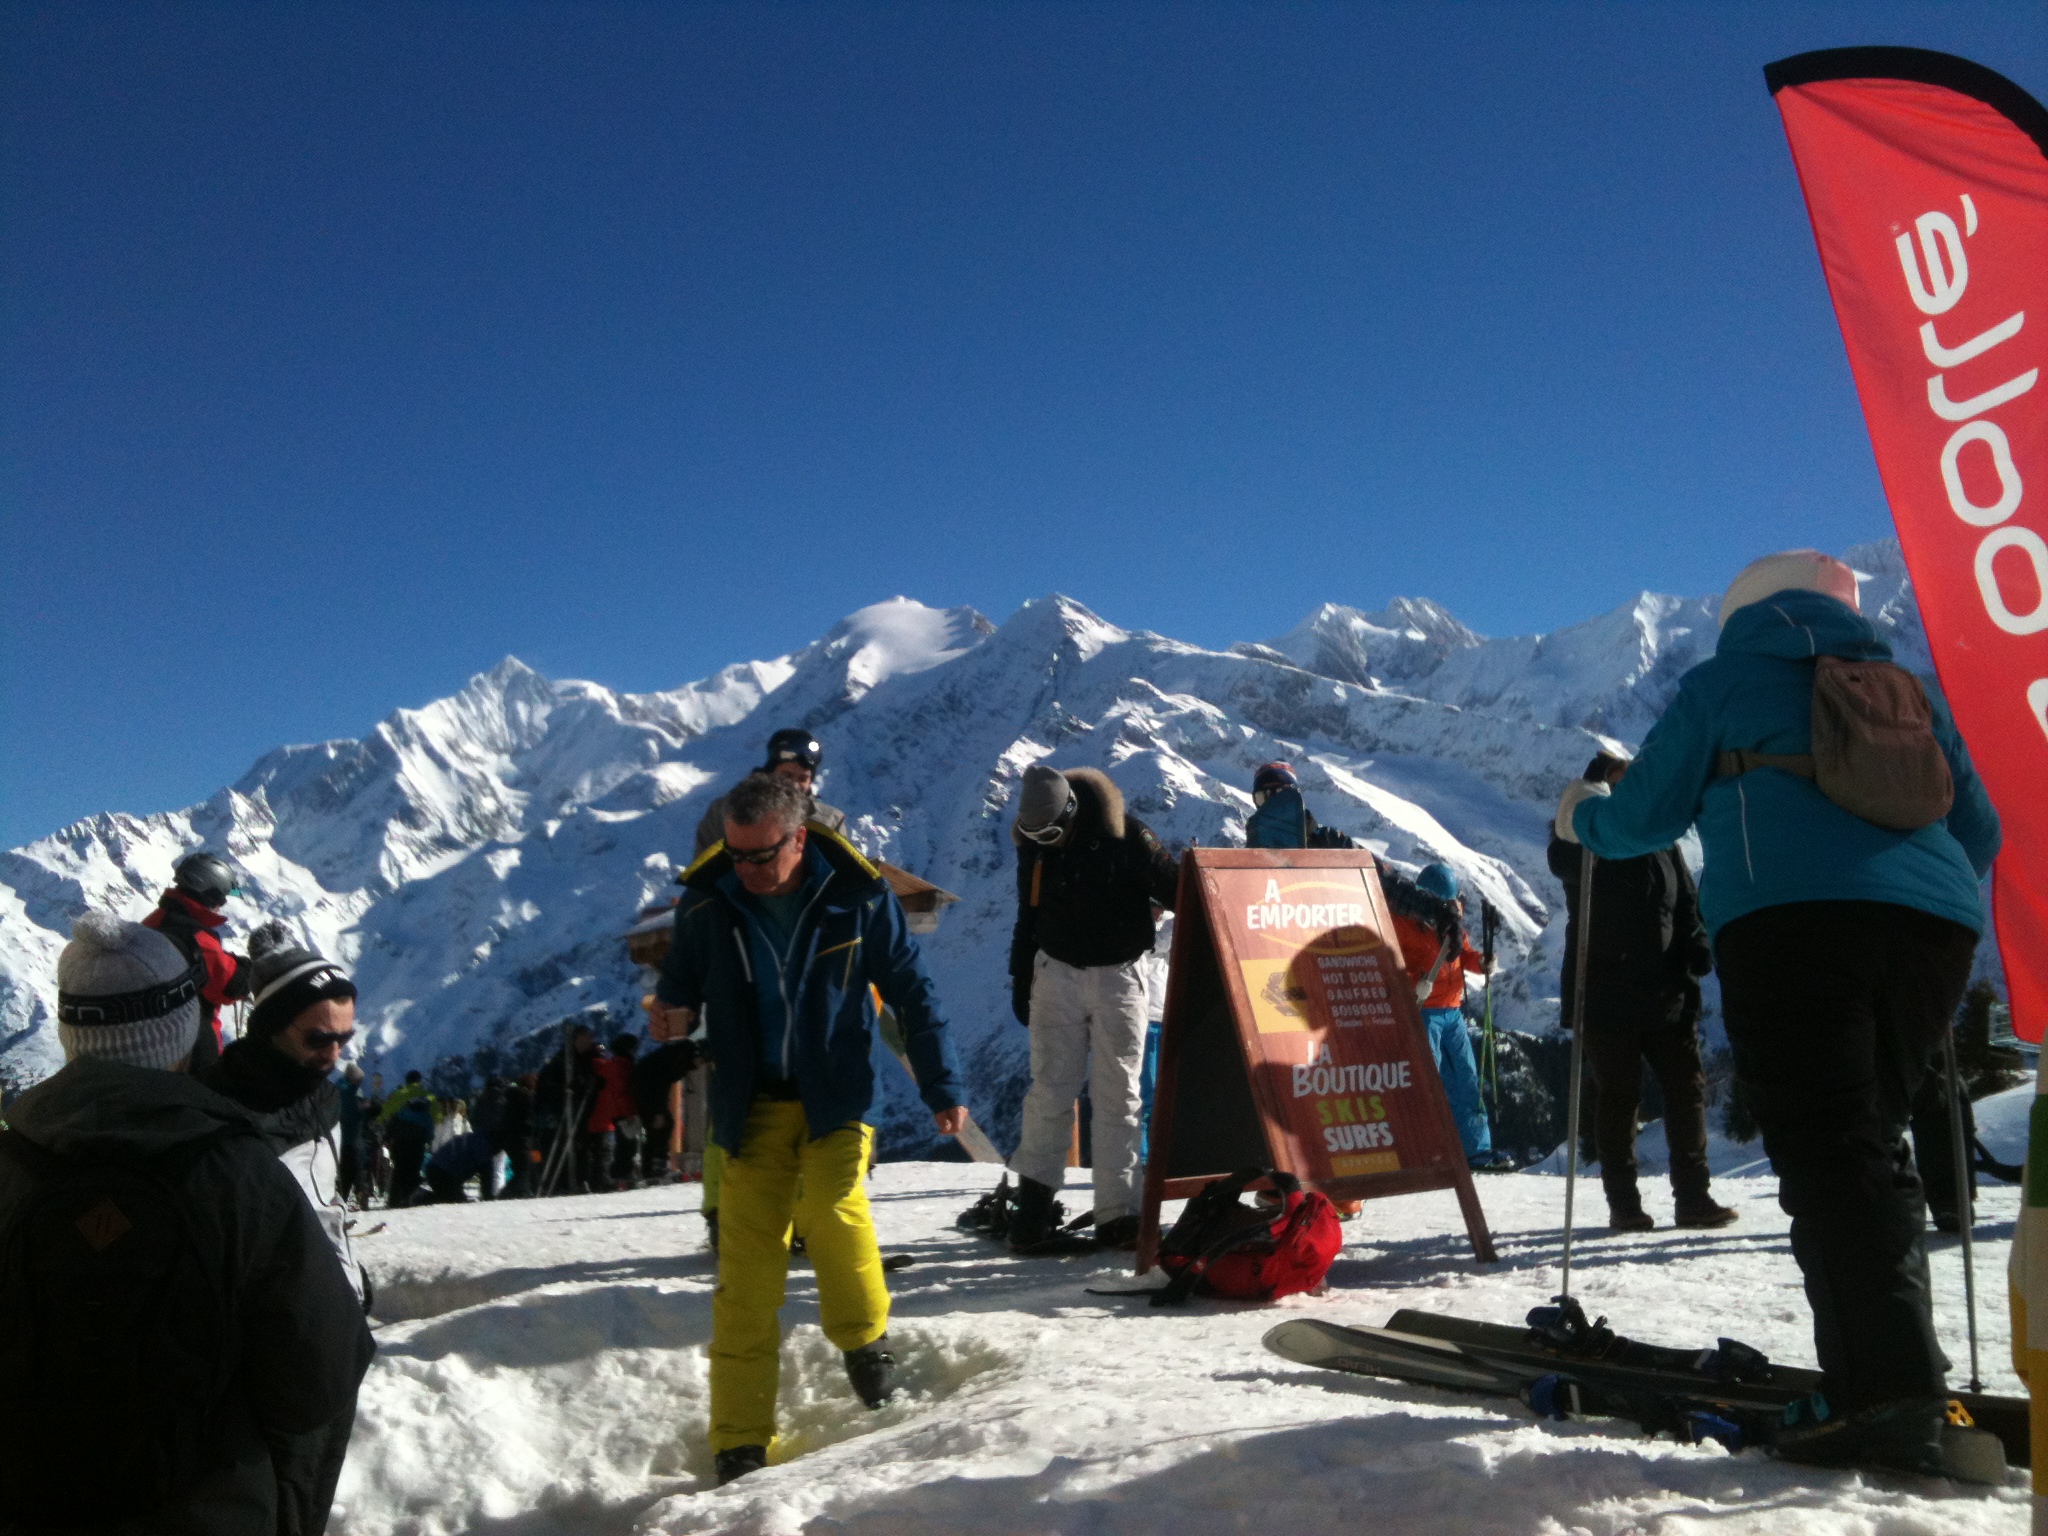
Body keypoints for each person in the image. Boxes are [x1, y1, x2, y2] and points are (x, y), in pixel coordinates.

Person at [1556, 549, 2000, 1474]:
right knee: (1869, 1139)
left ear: (1741, 614)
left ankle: (1883, 1393)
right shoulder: (1902, 688)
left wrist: (1580, 821)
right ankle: (1900, 1367)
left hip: (1793, 923)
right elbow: (1980, 830)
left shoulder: (1722, 683)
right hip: (1937, 927)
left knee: (1829, 1144)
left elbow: (1643, 817)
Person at [0, 911, 373, 1534]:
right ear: (180, 1032)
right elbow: (321, 1371)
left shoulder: (11, 1163)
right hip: (204, 1503)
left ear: (71, 1031)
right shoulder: (236, 1170)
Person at [646, 772, 967, 1485]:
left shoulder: (856, 893)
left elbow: (911, 989)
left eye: (762, 855)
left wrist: (942, 1084)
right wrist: (669, 1015)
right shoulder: (707, 903)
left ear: (799, 838)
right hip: (749, 1108)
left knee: (830, 1208)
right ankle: (738, 1440)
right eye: (736, 854)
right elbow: (680, 987)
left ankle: (865, 1343)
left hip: (838, 1099)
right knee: (745, 1280)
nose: (747, 869)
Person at [1549, 752, 1736, 1232]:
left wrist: (1696, 945)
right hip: (1605, 988)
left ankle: (1693, 1197)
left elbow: (1686, 899)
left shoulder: (1659, 838)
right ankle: (1624, 1204)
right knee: (1619, 1096)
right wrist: (1591, 789)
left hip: (1666, 985)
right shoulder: (1584, 840)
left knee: (1685, 1088)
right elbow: (1563, 853)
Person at [1001, 763, 1179, 1250]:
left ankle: (1117, 1215)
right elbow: (1028, 914)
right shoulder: (1035, 846)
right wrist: (1020, 978)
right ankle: (1032, 1213)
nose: (1046, 841)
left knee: (1118, 1096)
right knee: (1049, 1092)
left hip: (1119, 975)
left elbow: (1184, 890)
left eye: (1053, 831)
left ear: (1074, 812)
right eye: (1034, 834)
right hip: (1054, 971)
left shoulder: (1128, 837)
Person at [202, 922, 370, 1309]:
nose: (334, 1055)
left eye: (344, 1039)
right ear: (270, 1028)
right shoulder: (223, 1115)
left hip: (330, 1312)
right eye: (318, 1038)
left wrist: (350, 1280)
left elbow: (322, 1207)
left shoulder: (324, 1099)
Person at [1387, 862, 1503, 1168]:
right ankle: (1424, 1149)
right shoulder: (1402, 925)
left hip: (1451, 1012)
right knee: (1427, 1081)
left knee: (1465, 1080)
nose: (1454, 907)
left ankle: (1477, 1151)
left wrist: (1482, 962)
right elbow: (1392, 965)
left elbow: (1463, 955)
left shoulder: (1449, 925)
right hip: (1423, 1012)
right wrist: (1415, 981)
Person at [141, 849, 253, 1072]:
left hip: (150, 1043)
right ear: (207, 892)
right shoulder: (195, 936)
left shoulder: (152, 923)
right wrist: (250, 968)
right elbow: (229, 985)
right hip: (192, 1050)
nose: (221, 904)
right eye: (220, 897)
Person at [693, 727, 848, 857]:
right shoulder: (726, 812)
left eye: (803, 778)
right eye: (786, 775)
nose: (794, 784)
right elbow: (703, 872)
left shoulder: (829, 822)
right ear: (770, 773)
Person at [378, 1069, 437, 1206]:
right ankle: (410, 1199)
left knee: (398, 1171)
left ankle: (394, 1200)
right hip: (419, 1143)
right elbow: (436, 1119)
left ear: (407, 1080)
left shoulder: (399, 1095)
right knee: (414, 1171)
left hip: (399, 1142)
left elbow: (385, 1115)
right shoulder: (428, 1097)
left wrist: (386, 1135)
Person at [337, 1061, 371, 1208]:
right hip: (351, 1139)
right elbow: (350, 1116)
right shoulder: (348, 1093)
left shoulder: (340, 1089)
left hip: (342, 1140)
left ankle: (342, 1198)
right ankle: (360, 1196)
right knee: (356, 1169)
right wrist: (363, 1109)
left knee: (345, 1171)